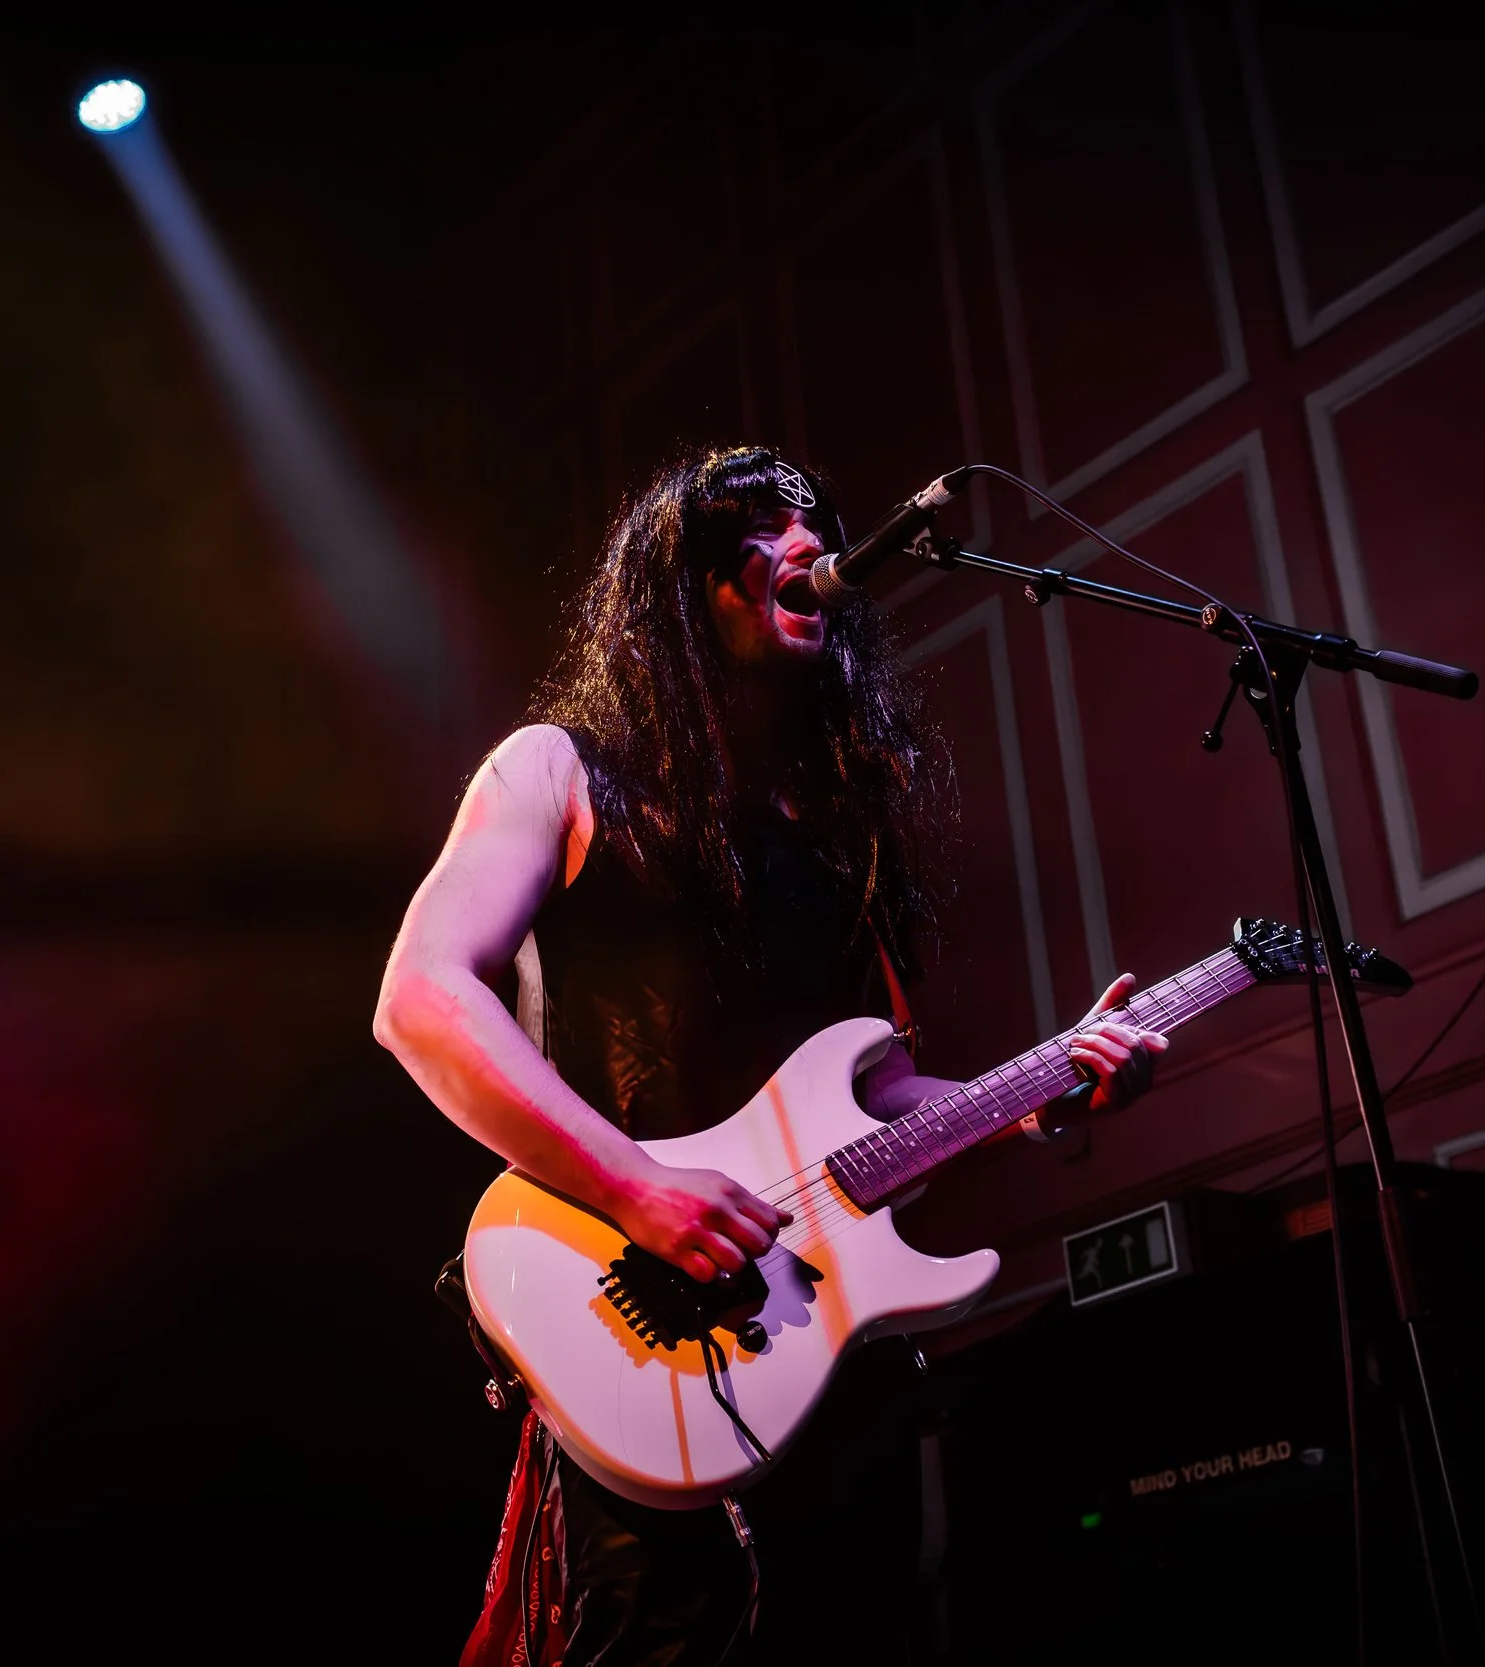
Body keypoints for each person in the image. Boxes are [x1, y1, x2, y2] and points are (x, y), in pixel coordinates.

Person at [376, 446, 1169, 1665]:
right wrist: (637, 1188)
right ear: (680, 587)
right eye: (757, 527)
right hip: (647, 1334)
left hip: (824, 1357)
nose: (806, 544)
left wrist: (1033, 1093)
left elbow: (876, 1095)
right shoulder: (560, 768)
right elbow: (423, 997)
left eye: (814, 522)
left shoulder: (840, 828)